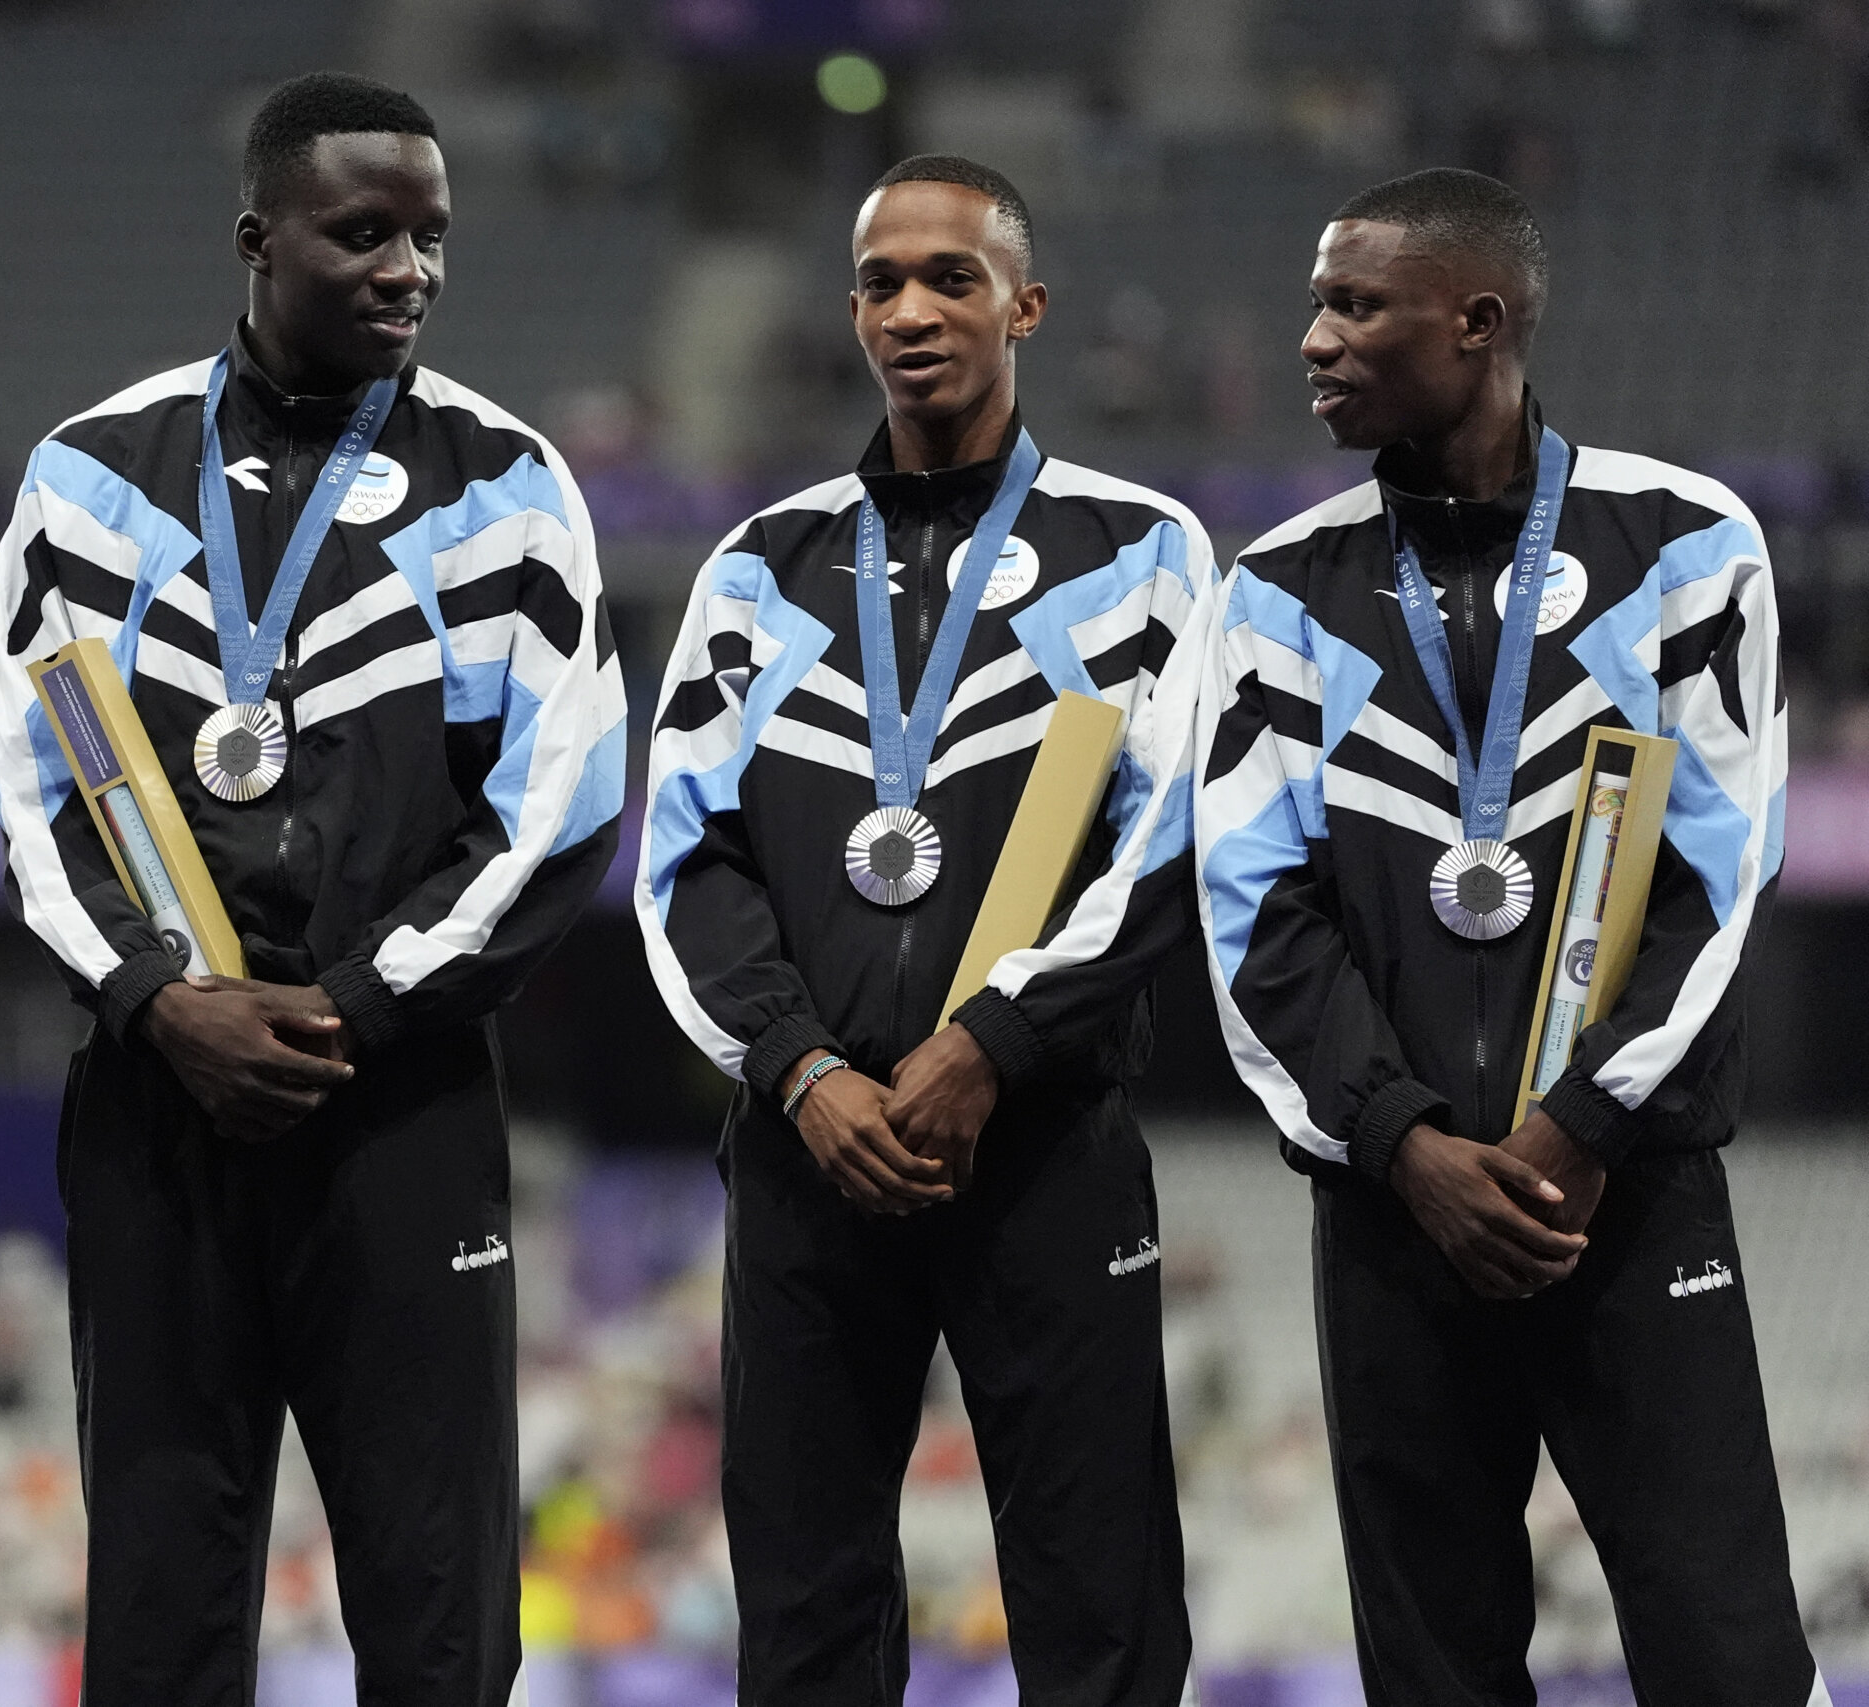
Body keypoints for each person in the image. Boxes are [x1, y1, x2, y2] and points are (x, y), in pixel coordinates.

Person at [0, 71, 622, 1705]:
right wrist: (159, 1000)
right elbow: (39, 795)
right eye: (365, 233)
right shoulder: (91, 480)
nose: (409, 268)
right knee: (159, 1600)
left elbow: (557, 816)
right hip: (156, 1109)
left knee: (437, 1604)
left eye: (430, 236)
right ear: (258, 240)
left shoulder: (509, 483)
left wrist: (351, 1007)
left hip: (396, 1111)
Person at [1192, 167, 1824, 1704]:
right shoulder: (1277, 591)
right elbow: (1254, 916)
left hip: (1626, 1198)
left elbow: (1719, 879)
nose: (1314, 340)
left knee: (1729, 1659)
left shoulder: (1682, 545)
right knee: (1432, 1674)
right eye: (1317, 305)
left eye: (1353, 304)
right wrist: (1406, 1145)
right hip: (1396, 1218)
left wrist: (1581, 1127)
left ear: (1476, 323)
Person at [635, 155, 1208, 1707]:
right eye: (880, 282)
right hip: (810, 1151)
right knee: (807, 1619)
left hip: (1042, 1140)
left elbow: (1169, 848)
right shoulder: (764, 567)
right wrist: (804, 1072)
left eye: (951, 277)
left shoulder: (1141, 552)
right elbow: (685, 855)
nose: (911, 309)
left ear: (1025, 304)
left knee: (1100, 1611)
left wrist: (992, 1045)